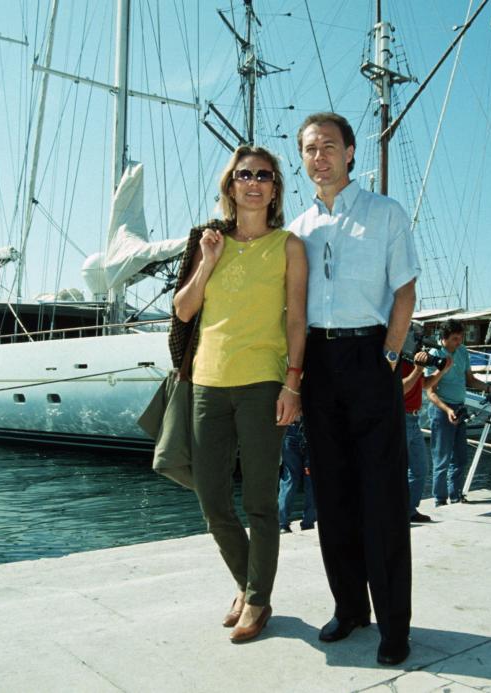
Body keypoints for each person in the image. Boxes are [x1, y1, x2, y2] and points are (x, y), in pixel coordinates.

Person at [289, 111, 419, 666]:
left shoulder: (385, 214)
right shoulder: (297, 229)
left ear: (350, 152)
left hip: (370, 356)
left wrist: (389, 356)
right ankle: (350, 608)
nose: (319, 156)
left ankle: (394, 624)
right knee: (333, 493)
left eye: (329, 146)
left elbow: (405, 291)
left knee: (383, 495)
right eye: (309, 148)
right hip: (317, 360)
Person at [173, 145, 308, 643]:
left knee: (259, 502)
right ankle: (246, 582)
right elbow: (184, 311)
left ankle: (257, 598)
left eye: (264, 176)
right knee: (211, 499)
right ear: (230, 185)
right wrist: (207, 263)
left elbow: (297, 319)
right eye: (244, 174)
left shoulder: (289, 246)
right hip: (207, 383)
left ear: (275, 189)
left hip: (262, 384)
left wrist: (293, 383)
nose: (254, 182)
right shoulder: (208, 240)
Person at [426, 318, 491, 505]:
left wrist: (489, 388)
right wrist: (447, 410)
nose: (459, 342)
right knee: (441, 459)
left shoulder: (462, 351)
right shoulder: (435, 354)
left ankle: (455, 496)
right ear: (444, 338)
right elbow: (430, 391)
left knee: (460, 458)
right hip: (442, 411)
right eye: (455, 339)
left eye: (461, 338)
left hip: (460, 408)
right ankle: (439, 500)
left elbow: (470, 380)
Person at [401, 349, 450, 523]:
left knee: (420, 468)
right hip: (400, 418)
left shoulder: (414, 360)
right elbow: (400, 388)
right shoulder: (395, 359)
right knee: (398, 470)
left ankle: (409, 510)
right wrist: (418, 369)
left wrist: (441, 370)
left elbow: (423, 385)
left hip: (414, 420)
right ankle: (399, 512)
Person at [277, 416, 316, 533]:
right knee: (311, 481)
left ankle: (282, 523)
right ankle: (308, 523)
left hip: (290, 428)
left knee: (289, 479)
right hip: (310, 430)